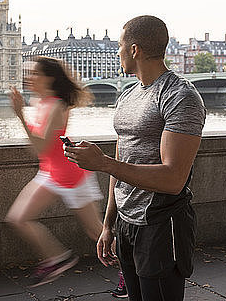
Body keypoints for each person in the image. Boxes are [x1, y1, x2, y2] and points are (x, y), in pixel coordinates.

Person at [64, 15, 206, 301]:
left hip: (161, 223)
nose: (116, 52)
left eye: (119, 45)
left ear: (134, 49)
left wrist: (102, 163)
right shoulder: (127, 96)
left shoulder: (180, 96)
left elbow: (173, 179)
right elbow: (122, 159)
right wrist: (108, 225)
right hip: (126, 223)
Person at [6, 56, 104, 287]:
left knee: (97, 233)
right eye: (27, 73)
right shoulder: (39, 101)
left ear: (49, 78)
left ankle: (132, 270)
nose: (28, 77)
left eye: (34, 73)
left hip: (72, 176)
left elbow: (39, 146)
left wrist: (20, 115)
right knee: (18, 219)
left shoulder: (57, 106)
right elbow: (41, 148)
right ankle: (58, 259)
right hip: (50, 172)